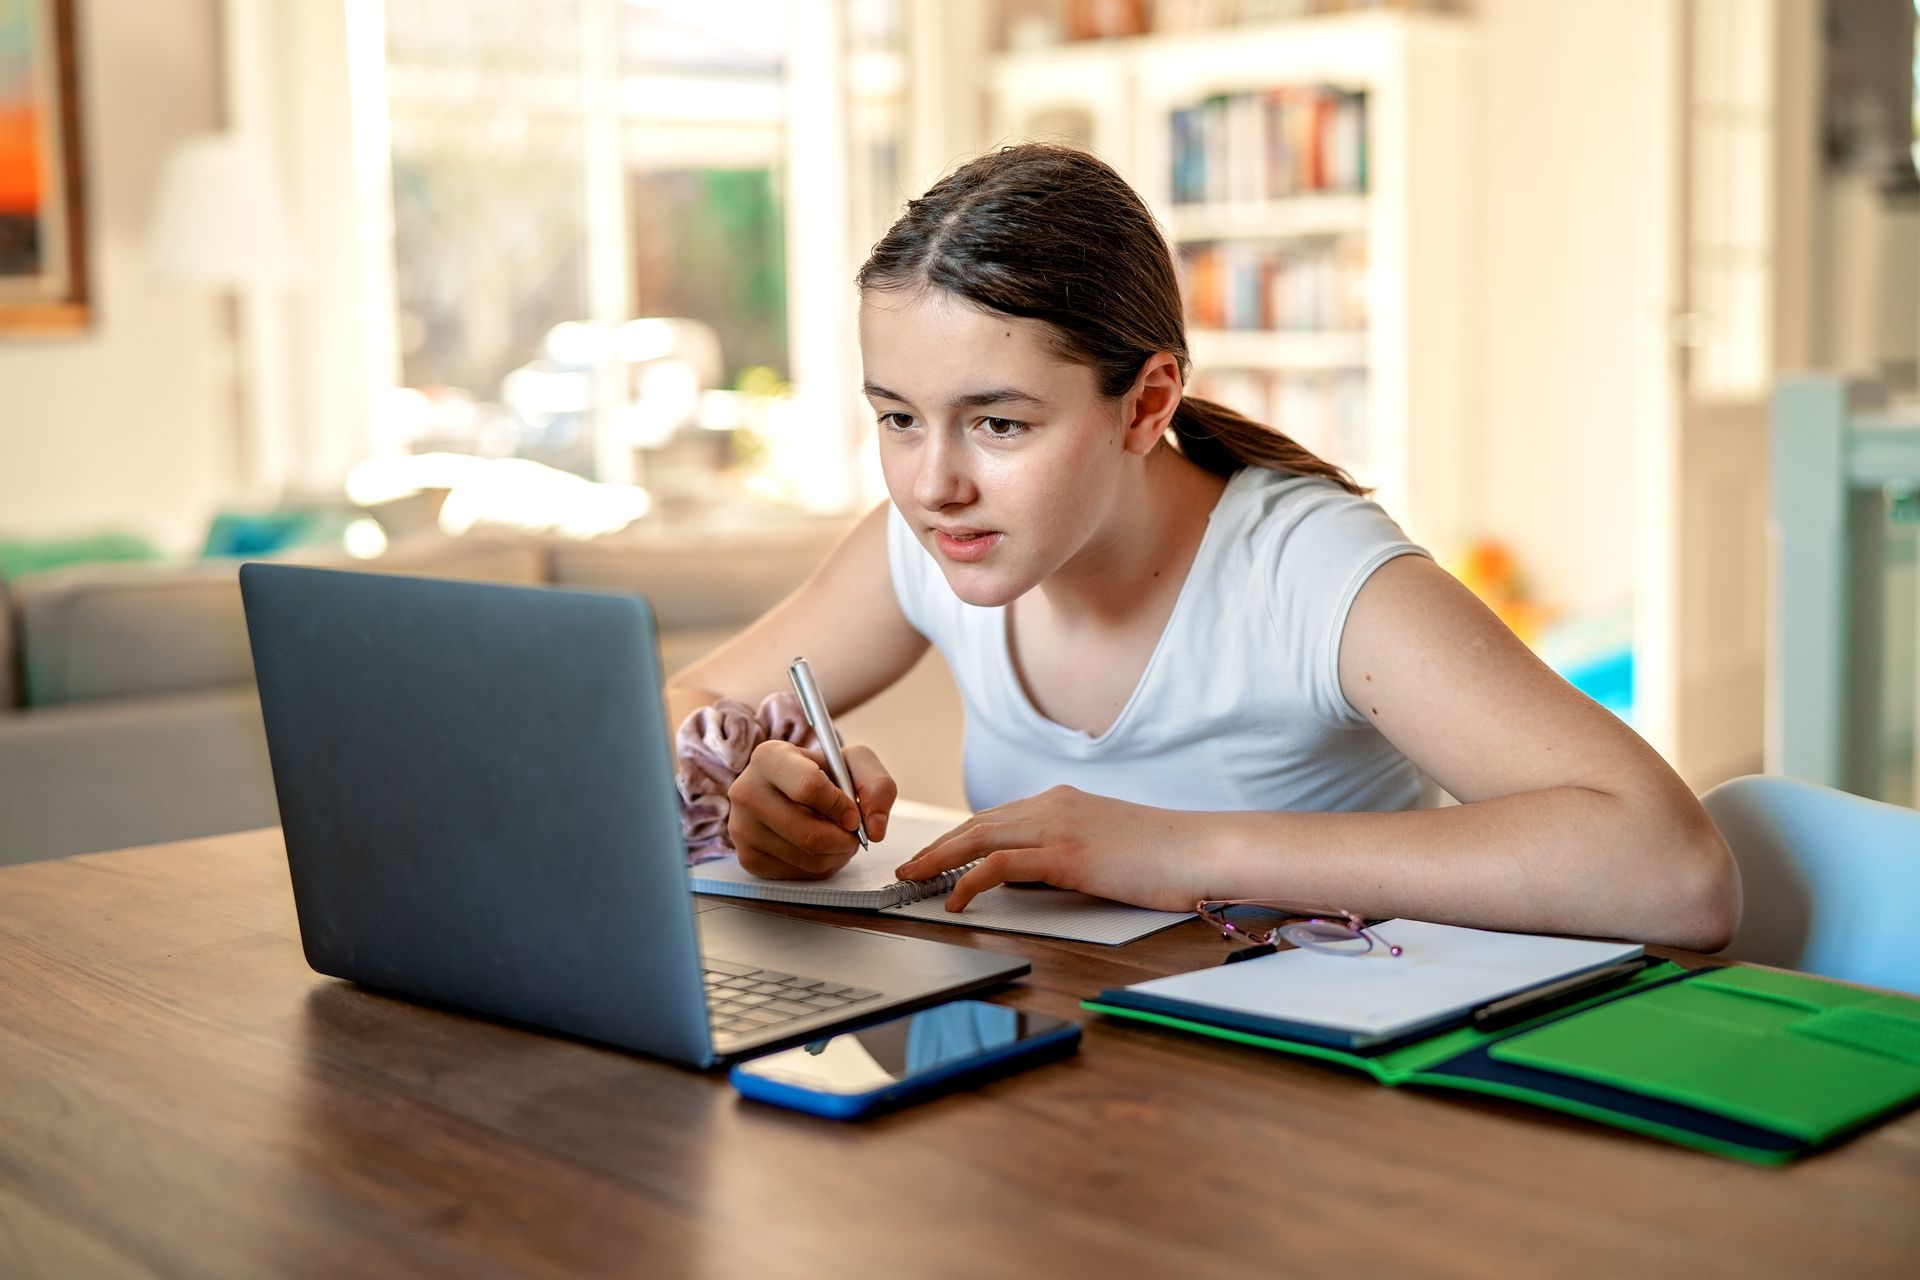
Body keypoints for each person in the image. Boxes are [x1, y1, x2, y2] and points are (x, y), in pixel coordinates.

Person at [664, 143, 1739, 952]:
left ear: (1147, 405)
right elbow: (676, 706)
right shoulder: (926, 540)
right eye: (898, 416)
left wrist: (1190, 849)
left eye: (998, 422)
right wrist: (760, 786)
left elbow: (1674, 869)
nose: (932, 480)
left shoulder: (1309, 573)